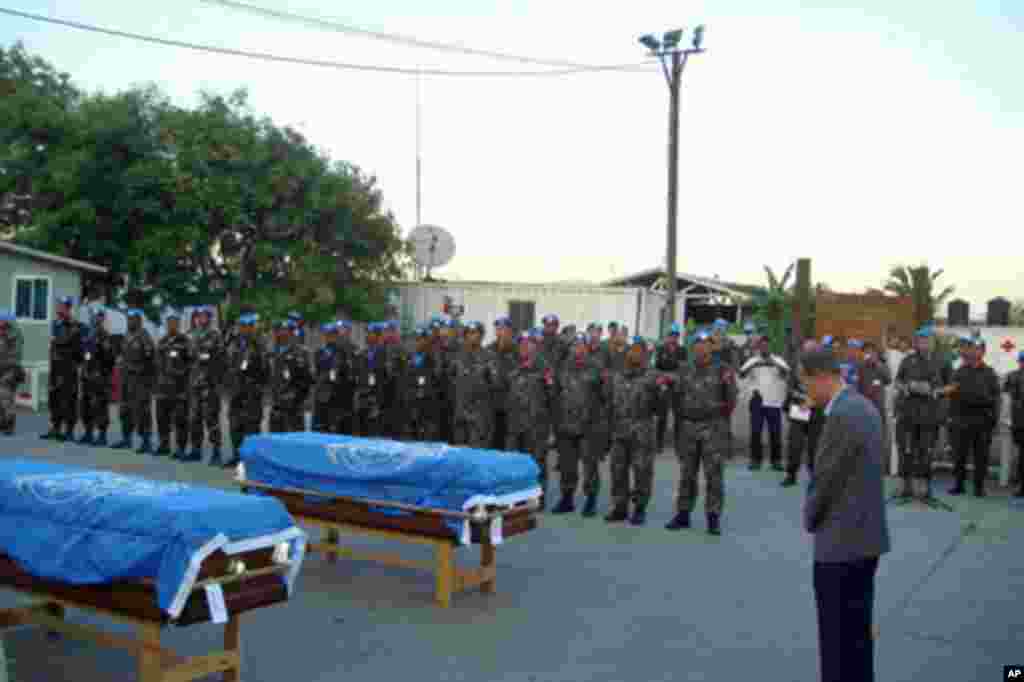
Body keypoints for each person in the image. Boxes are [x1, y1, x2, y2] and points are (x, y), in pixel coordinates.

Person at [801, 349, 890, 682]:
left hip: (840, 544)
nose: (806, 391)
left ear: (820, 375)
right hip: (865, 539)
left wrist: (810, 517)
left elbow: (824, 479)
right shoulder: (864, 406)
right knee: (857, 639)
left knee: (837, 644)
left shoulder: (841, 415)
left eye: (806, 382)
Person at [666, 329, 737, 535]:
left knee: (713, 475)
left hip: (713, 428)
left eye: (706, 343)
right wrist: (683, 418)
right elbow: (676, 397)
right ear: (693, 347)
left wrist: (719, 419)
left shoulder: (722, 370)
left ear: (712, 347)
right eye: (698, 343)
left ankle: (713, 518)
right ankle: (683, 514)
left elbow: (731, 399)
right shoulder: (684, 369)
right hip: (688, 427)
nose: (702, 347)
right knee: (687, 474)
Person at [603, 336, 665, 526]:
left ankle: (639, 508)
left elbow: (660, 408)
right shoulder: (617, 375)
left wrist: (661, 393)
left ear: (645, 354)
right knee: (618, 470)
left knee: (642, 471)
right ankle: (620, 507)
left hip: (642, 430)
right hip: (619, 429)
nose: (634, 353)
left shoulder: (653, 376)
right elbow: (608, 401)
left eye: (639, 350)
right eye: (632, 349)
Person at [893, 327, 952, 499]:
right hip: (907, 414)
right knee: (906, 451)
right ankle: (905, 487)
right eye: (920, 340)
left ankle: (924, 488)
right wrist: (906, 387)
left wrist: (935, 391)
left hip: (929, 415)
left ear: (933, 342)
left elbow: (952, 386)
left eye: (926, 340)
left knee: (925, 452)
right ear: (916, 342)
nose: (923, 343)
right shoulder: (908, 360)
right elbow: (897, 381)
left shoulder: (942, 361)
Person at [552, 334, 602, 515]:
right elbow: (556, 394)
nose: (578, 349)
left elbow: (604, 396)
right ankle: (567, 498)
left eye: (581, 345)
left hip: (589, 425)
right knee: (567, 464)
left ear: (587, 347)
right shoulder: (563, 366)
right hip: (566, 424)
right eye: (575, 345)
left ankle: (590, 500)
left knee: (590, 465)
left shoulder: (596, 367)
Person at [505, 332, 556, 508]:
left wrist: (550, 428)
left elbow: (552, 398)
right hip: (515, 424)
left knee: (536, 463)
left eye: (529, 344)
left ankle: (537, 498)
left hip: (536, 425)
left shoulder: (544, 367)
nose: (524, 347)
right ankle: (516, 498)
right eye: (522, 344)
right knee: (515, 463)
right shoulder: (512, 366)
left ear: (536, 346)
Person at [945, 337, 1000, 497]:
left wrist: (992, 419)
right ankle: (959, 485)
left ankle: (979, 487)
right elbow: (952, 394)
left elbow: (995, 397)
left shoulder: (990, 373)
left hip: (982, 421)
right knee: (959, 454)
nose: (975, 352)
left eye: (979, 349)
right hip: (962, 420)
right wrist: (951, 417)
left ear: (983, 352)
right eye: (973, 348)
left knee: (981, 456)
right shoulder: (961, 371)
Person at [739, 336, 790, 470]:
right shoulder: (753, 360)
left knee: (775, 433)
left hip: (774, 401)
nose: (764, 348)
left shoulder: (778, 359)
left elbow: (786, 373)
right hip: (758, 401)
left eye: (766, 345)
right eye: (761, 346)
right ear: (758, 347)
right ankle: (755, 460)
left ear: (770, 346)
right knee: (756, 432)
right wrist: (755, 364)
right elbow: (742, 373)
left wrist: (773, 362)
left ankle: (776, 461)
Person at [224, 312, 268, 468]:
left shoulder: (260, 343)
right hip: (236, 390)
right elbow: (228, 364)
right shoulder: (234, 342)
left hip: (252, 392)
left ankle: (251, 460)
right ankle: (237, 456)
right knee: (235, 425)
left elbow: (265, 369)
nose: (245, 329)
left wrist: (257, 387)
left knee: (251, 427)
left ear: (254, 327)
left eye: (249, 326)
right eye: (242, 326)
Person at [782, 339, 826, 487]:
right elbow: (790, 388)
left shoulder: (824, 367)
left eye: (812, 350)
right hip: (800, 408)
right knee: (795, 443)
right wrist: (803, 398)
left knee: (815, 446)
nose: (809, 352)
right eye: (806, 350)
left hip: (817, 409)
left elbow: (826, 389)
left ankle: (815, 477)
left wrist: (814, 399)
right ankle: (791, 475)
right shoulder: (797, 366)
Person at [41, 296, 84, 441]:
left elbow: (69, 345)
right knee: (54, 397)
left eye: (62, 306)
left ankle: (69, 431)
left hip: (68, 367)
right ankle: (55, 428)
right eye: (58, 306)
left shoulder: (74, 326)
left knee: (68, 398)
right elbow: (53, 344)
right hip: (55, 366)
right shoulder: (55, 324)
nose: (59, 308)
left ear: (68, 308)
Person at [448, 321, 496, 448]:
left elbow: (495, 384)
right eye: (469, 333)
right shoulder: (457, 356)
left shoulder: (489, 356)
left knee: (478, 453)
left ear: (481, 336)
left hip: (480, 415)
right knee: (460, 452)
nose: (472, 337)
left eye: (476, 333)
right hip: (460, 412)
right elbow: (450, 380)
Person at [187, 306, 224, 462]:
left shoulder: (215, 335)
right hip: (195, 383)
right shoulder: (193, 334)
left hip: (210, 383)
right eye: (199, 316)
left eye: (204, 316)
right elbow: (189, 357)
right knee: (194, 418)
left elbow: (220, 358)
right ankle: (196, 450)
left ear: (209, 318)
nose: (201, 319)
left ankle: (216, 452)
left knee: (211, 419)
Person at [154, 311, 194, 458]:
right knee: (162, 417)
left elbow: (192, 362)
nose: (171, 325)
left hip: (179, 387)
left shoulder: (185, 341)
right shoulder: (162, 341)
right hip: (163, 387)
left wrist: (182, 374)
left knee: (180, 419)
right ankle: (164, 445)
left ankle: (181, 448)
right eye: (169, 322)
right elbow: (157, 361)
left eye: (174, 322)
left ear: (178, 324)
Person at [268, 320, 313, 433]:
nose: (282, 333)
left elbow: (307, 380)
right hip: (276, 404)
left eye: (287, 331)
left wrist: (297, 397)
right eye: (280, 330)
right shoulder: (274, 351)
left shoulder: (301, 353)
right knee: (276, 441)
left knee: (294, 441)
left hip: (294, 406)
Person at [402, 326, 443, 441]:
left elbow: (435, 381)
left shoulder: (434, 358)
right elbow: (404, 382)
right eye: (416, 339)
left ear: (427, 340)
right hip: (410, 405)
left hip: (426, 407)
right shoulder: (408, 358)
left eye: (421, 339)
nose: (418, 342)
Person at [312, 322, 352, 435]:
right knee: (320, 429)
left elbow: (344, 374)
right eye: (327, 334)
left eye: (333, 334)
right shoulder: (319, 352)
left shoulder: (342, 352)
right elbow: (318, 372)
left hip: (337, 396)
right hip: (322, 394)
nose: (330, 337)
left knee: (334, 429)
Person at [654, 323, 687, 452]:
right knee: (662, 415)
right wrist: (664, 376)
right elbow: (657, 367)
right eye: (671, 335)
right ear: (667, 336)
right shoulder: (661, 349)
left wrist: (674, 374)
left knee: (678, 415)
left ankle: (678, 443)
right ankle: (659, 443)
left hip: (677, 386)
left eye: (675, 335)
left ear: (678, 337)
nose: (673, 338)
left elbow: (683, 367)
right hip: (663, 385)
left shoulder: (682, 350)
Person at [488, 317, 518, 450]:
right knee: (494, 442)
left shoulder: (517, 351)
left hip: (512, 406)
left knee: (511, 443)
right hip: (493, 405)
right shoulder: (489, 350)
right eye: (498, 329)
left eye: (504, 329)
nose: (501, 333)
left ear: (510, 331)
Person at [1003, 351, 1024, 497]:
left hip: (1018, 421)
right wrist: (1008, 418)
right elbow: (1006, 398)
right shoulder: (1012, 376)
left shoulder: (1012, 376)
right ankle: (1021, 485)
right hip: (1018, 422)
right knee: (1022, 454)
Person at [0, 311, 24, 435]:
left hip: (11, 369)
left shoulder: (15, 334)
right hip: (2, 368)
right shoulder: (2, 333)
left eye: (1, 320)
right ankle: (3, 422)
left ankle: (9, 423)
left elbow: (15, 355)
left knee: (6, 396)